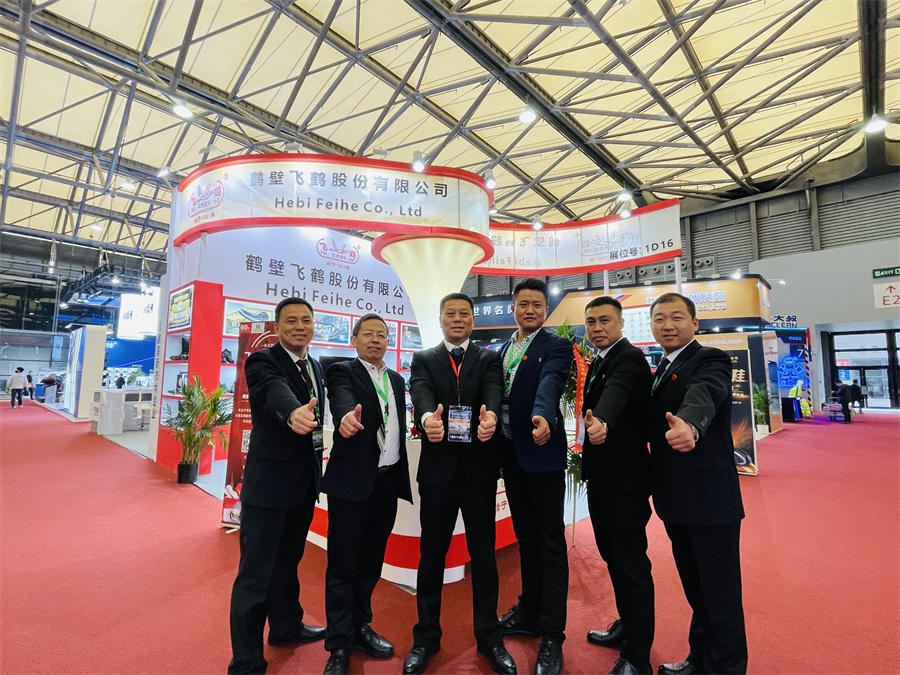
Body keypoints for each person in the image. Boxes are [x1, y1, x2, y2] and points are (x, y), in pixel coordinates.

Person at [403, 292, 515, 675]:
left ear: (473, 320)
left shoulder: (488, 359)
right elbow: (420, 391)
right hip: (438, 473)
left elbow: (493, 391)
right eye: (450, 313)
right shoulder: (424, 358)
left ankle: (490, 637)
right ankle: (426, 638)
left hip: (478, 473)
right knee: (431, 556)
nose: (457, 318)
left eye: (464, 313)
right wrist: (425, 419)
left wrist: (491, 419)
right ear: (440, 319)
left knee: (483, 557)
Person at [648, 292, 747, 675]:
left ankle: (726, 669)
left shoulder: (710, 359)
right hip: (676, 500)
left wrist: (690, 424)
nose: (667, 325)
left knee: (720, 596)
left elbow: (704, 392)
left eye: (676, 317)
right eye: (660, 318)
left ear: (695, 323)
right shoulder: (661, 367)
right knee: (698, 590)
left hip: (710, 499)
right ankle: (700, 660)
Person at [228, 297, 327, 675]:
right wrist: (292, 413)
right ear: (278, 326)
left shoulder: (315, 365)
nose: (300, 327)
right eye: (292, 321)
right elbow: (273, 390)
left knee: (288, 563)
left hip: (303, 486)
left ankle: (286, 626)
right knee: (255, 575)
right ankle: (246, 661)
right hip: (268, 488)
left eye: (306, 320)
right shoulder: (262, 360)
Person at [320, 314, 413, 675]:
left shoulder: (397, 380)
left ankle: (360, 626)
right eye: (369, 334)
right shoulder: (342, 371)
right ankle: (339, 644)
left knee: (371, 562)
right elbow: (341, 398)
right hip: (351, 484)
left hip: (386, 484)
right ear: (355, 339)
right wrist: (345, 416)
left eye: (382, 335)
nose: (376, 340)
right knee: (343, 564)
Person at [496, 277, 573, 675]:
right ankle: (529, 610)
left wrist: (542, 414)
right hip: (511, 457)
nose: (529, 310)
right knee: (525, 538)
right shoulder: (502, 349)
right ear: (513, 308)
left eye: (537, 305)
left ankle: (552, 635)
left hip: (542, 455)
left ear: (545, 310)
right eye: (523, 304)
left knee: (549, 543)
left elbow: (550, 382)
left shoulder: (555, 346)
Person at [581, 297, 655, 675]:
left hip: (625, 481)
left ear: (622, 323)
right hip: (603, 478)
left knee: (630, 564)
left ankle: (637, 656)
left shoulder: (629, 358)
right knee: (614, 557)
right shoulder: (599, 360)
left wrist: (602, 421)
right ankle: (628, 623)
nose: (597, 328)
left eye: (605, 320)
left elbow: (618, 392)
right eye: (591, 322)